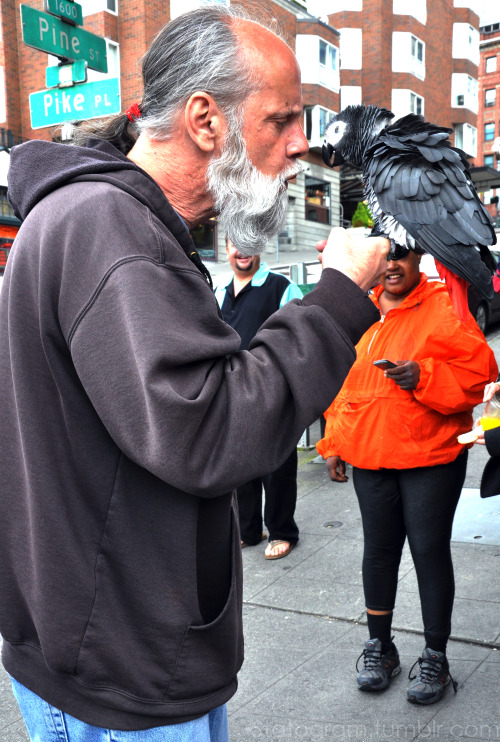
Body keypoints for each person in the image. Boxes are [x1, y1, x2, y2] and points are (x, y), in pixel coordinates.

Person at [0, 6, 390, 741]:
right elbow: (211, 431)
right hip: (120, 670)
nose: (300, 143)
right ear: (206, 121)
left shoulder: (99, 222)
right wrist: (338, 295)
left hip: (100, 645)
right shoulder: (112, 233)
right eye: (282, 119)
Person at [316, 248, 497, 706]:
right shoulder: (360, 308)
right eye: (387, 257)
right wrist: (333, 441)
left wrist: (424, 375)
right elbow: (340, 381)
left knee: (428, 551)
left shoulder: (442, 306)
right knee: (378, 552)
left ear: (419, 258)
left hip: (430, 458)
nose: (393, 265)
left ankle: (435, 656)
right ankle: (381, 646)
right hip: (370, 456)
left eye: (402, 256)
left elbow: (482, 377)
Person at [215, 239, 303, 559]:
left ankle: (282, 531)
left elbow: (300, 339)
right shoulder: (219, 291)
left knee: (276, 467)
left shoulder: (282, 287)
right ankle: (249, 530)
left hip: (272, 392)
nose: (242, 251)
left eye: (249, 243)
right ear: (226, 248)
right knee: (240, 468)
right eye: (235, 244)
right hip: (231, 393)